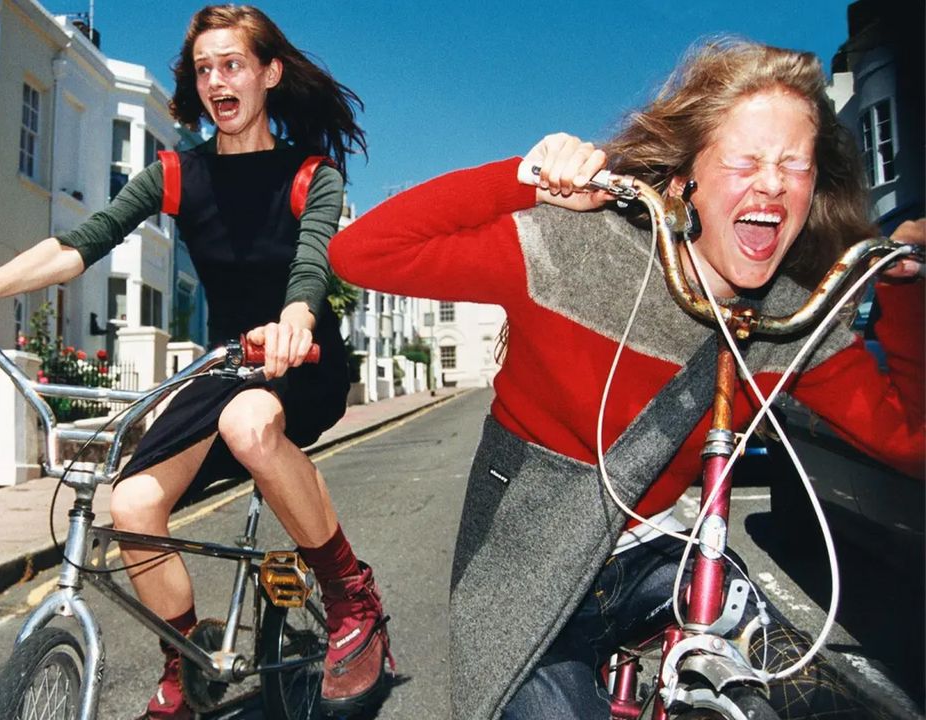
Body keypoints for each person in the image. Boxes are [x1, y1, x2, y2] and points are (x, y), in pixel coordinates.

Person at [329, 39, 922, 720]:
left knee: (807, 695)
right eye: (745, 160)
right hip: (525, 569)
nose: (772, 183)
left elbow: (908, 441)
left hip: (656, 558)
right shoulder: (573, 249)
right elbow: (360, 252)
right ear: (681, 182)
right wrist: (526, 179)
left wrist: (905, 288)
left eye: (794, 165)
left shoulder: (790, 319)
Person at [0, 5, 391, 717]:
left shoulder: (310, 174)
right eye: (204, 69)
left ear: (269, 73)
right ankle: (184, 666)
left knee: (254, 425)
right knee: (131, 502)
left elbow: (310, 265)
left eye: (232, 65)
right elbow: (77, 245)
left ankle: (353, 596)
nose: (218, 80)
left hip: (300, 357)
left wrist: (292, 320)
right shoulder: (175, 174)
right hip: (227, 365)